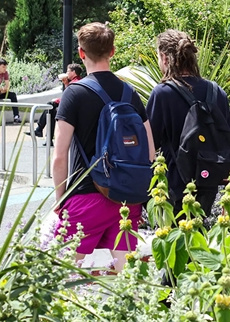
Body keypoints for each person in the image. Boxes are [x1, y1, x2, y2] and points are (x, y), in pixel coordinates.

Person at [52, 23, 154, 271]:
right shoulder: (130, 93)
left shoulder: (74, 93)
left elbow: (59, 156)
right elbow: (150, 151)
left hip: (86, 197)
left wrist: (60, 200)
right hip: (126, 200)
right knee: (127, 280)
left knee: (58, 277)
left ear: (81, 53)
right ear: (113, 51)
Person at [146, 29, 230, 216]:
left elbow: (150, 146)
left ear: (165, 57)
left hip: (173, 185)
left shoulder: (162, 93)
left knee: (175, 240)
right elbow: (227, 142)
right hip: (209, 182)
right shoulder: (217, 92)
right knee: (198, 237)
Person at [26, 63, 83, 144]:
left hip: (71, 109)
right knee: (51, 110)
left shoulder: (75, 82)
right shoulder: (76, 81)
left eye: (68, 71)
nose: (66, 73)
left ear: (73, 72)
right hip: (72, 107)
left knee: (51, 105)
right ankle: (45, 135)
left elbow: (68, 97)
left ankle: (40, 129)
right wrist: (66, 84)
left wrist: (56, 100)